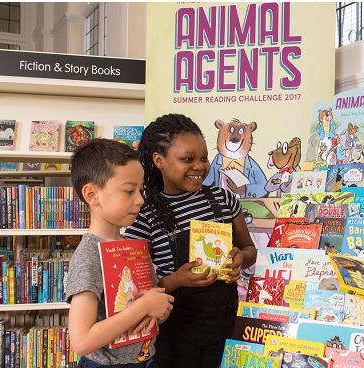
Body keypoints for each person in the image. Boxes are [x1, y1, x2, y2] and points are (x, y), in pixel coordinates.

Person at [124, 113, 257, 368]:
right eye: (188, 159)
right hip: (176, 332)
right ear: (159, 160)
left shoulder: (223, 200)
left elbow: (249, 248)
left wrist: (240, 258)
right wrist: (177, 280)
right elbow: (134, 288)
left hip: (225, 327)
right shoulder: (144, 212)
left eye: (204, 158)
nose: (199, 166)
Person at [65, 138, 174, 368]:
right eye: (128, 191)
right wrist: (143, 307)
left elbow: (147, 305)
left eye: (140, 189)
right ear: (92, 195)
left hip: (145, 358)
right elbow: (82, 341)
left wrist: (157, 310)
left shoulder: (134, 247)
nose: (140, 199)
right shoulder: (89, 256)